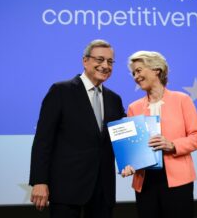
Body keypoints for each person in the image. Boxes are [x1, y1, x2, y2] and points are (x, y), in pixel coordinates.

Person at [29, 39, 125, 218]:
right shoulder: (60, 91)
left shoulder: (114, 99)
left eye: (110, 62)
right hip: (66, 188)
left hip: (103, 191)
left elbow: (123, 140)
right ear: (85, 60)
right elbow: (43, 140)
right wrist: (39, 181)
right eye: (100, 60)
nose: (105, 65)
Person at [121, 51, 197, 218]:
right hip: (145, 183)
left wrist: (173, 145)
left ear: (156, 69)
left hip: (178, 181)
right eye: (133, 73)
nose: (135, 76)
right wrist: (128, 163)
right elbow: (131, 147)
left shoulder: (182, 100)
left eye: (139, 70)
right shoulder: (133, 107)